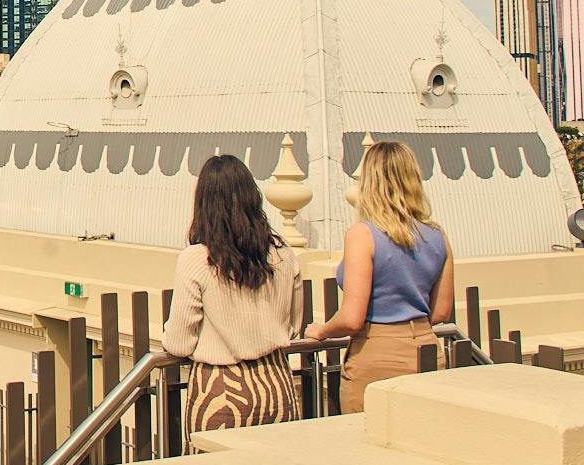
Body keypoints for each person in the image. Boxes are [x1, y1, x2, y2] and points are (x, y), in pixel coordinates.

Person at [306, 140, 455, 413]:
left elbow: (352, 318)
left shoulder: (363, 235)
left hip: (377, 353)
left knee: (368, 443)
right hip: (426, 349)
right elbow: (442, 311)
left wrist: (322, 330)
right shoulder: (437, 235)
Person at [162, 153, 304, 433]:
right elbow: (293, 327)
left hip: (220, 390)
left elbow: (179, 343)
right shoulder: (284, 255)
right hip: (277, 385)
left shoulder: (197, 259)